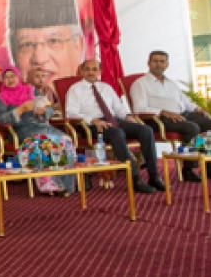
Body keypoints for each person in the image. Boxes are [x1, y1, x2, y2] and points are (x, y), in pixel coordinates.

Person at [65, 59, 163, 193]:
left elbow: (119, 108)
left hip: (114, 120)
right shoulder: (75, 89)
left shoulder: (106, 87)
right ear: (82, 71)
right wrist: (93, 120)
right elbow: (71, 112)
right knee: (117, 133)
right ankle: (135, 178)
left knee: (146, 130)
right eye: (87, 69)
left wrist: (128, 117)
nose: (91, 72)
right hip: (92, 125)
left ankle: (154, 176)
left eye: (94, 69)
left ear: (100, 71)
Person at [129, 50, 211, 181]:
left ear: (166, 64)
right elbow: (139, 108)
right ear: (148, 63)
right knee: (192, 127)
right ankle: (189, 170)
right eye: (155, 61)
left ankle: (209, 167)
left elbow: (185, 101)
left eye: (162, 61)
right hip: (158, 119)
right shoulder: (140, 84)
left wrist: (199, 109)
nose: (158, 64)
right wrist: (163, 112)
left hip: (182, 114)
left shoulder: (171, 83)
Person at [0, 66, 76, 195]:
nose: (10, 79)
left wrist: (44, 111)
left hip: (42, 125)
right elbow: (0, 119)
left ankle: (68, 185)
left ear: (19, 77)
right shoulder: (1, 98)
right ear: (3, 80)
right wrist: (20, 109)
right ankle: (52, 185)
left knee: (65, 140)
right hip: (21, 130)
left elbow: (49, 108)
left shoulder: (31, 90)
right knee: (44, 142)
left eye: (13, 76)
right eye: (6, 77)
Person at [7, 0, 85, 82]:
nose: (39, 59)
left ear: (78, 46)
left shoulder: (94, 95)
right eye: (27, 44)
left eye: (53, 41)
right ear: (13, 52)